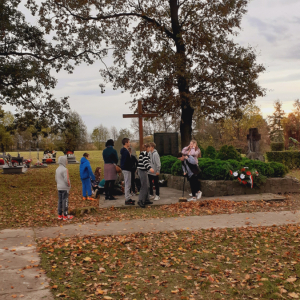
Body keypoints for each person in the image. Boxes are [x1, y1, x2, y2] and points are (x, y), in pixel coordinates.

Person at [55, 156, 74, 220]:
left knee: (60, 200)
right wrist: (69, 185)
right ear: (63, 161)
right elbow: (67, 179)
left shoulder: (57, 169)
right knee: (65, 200)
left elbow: (56, 179)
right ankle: (65, 215)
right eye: (66, 160)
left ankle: (59, 215)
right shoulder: (65, 169)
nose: (67, 162)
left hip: (59, 187)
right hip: (65, 188)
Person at [137, 143, 155, 208]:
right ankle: (140, 200)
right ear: (147, 148)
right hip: (142, 171)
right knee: (144, 186)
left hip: (144, 171)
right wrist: (150, 168)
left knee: (147, 185)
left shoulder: (145, 153)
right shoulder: (144, 153)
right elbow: (145, 162)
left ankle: (146, 199)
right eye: (149, 147)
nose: (150, 149)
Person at [120, 138, 135, 205]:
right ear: (126, 143)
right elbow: (127, 161)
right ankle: (127, 199)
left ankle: (128, 197)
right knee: (127, 183)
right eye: (129, 142)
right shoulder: (125, 152)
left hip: (126, 169)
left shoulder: (125, 151)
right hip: (127, 169)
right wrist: (131, 167)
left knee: (128, 183)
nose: (129, 143)